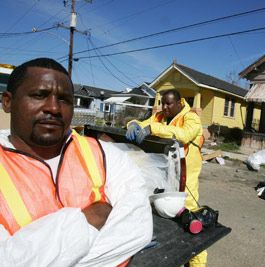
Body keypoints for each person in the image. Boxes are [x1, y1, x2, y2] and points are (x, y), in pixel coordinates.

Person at [0, 58, 152, 266]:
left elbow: (137, 229)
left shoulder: (105, 154)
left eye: (64, 99)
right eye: (39, 95)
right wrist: (88, 220)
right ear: (7, 102)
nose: (53, 107)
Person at [126, 89, 207, 267]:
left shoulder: (191, 118)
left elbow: (184, 135)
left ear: (179, 103)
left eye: (169, 103)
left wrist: (152, 128)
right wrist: (133, 124)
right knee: (168, 222)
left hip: (186, 180)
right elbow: (142, 123)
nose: (164, 107)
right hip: (167, 175)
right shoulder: (161, 116)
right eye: (163, 103)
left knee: (192, 225)